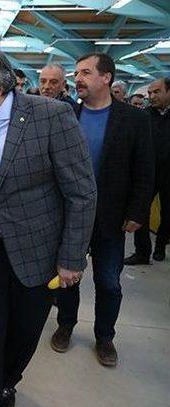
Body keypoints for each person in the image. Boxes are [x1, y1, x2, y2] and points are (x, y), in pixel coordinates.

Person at [0, 46, 97, 407]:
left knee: (24, 330)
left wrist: (71, 257)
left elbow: (81, 192)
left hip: (37, 249)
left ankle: (7, 381)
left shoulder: (51, 117)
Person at [51, 53, 154, 367]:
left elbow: (145, 169)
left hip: (112, 215)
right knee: (68, 277)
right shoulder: (68, 114)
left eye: (85, 72)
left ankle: (104, 336)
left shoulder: (134, 119)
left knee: (109, 281)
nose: (77, 79)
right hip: (70, 216)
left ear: (106, 77)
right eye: (76, 73)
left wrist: (138, 211)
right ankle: (66, 325)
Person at [124, 77, 170, 263]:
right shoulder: (144, 116)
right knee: (139, 211)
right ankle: (142, 252)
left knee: (167, 213)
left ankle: (160, 247)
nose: (151, 96)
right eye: (150, 93)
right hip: (147, 173)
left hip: (169, 174)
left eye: (156, 92)